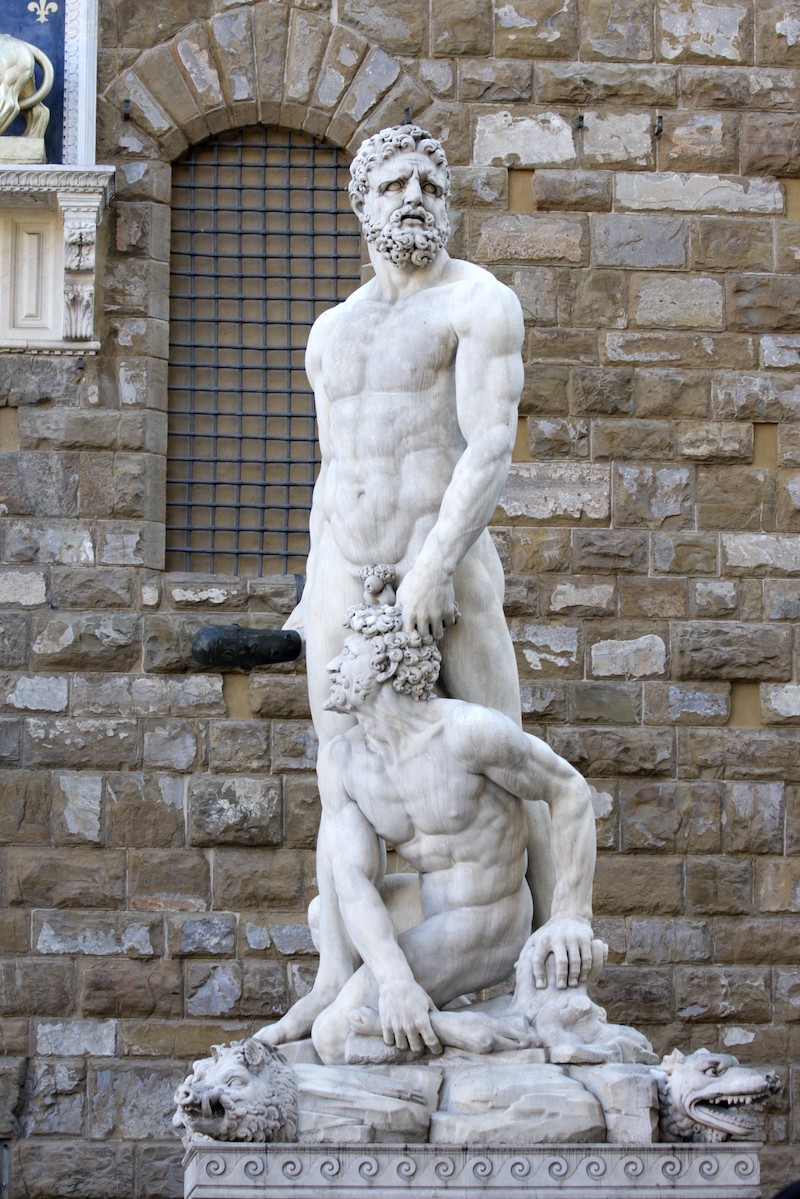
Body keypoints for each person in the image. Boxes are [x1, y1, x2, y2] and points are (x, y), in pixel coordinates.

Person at [262, 123, 555, 1047]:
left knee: (509, 763)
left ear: (449, 198)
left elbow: (491, 446)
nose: (414, 193)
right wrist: (317, 591)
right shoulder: (329, 332)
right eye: (393, 182)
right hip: (346, 569)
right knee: (341, 774)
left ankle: (550, 968)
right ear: (363, 202)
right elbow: (333, 466)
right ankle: (334, 978)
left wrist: (432, 566)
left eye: (430, 179)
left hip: (448, 561)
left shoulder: (479, 302)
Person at [299, 601, 597, 1067]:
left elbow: (569, 790)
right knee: (325, 915)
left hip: (488, 918)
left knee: (336, 1035)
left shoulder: (466, 732)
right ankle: (452, 1023)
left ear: (384, 664)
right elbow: (353, 880)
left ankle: (460, 1024)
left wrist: (571, 913)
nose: (331, 666)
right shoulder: (343, 760)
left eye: (347, 655)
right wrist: (395, 979)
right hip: (431, 907)